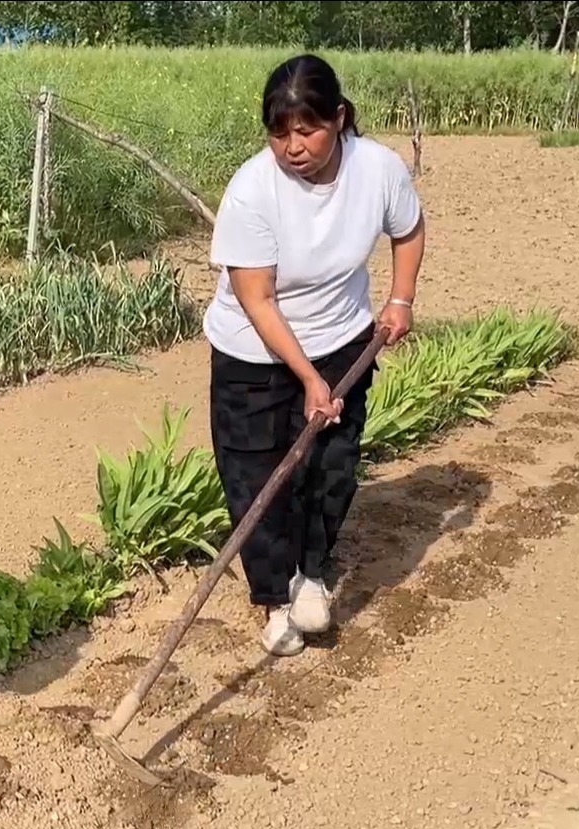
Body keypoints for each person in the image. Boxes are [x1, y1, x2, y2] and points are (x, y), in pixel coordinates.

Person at [203, 53, 426, 657]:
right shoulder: (252, 190)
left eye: (307, 130)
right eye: (280, 133)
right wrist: (306, 377)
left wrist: (400, 299)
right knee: (258, 479)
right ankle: (274, 598)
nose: (293, 146)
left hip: (343, 339)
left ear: (340, 118)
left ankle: (310, 571)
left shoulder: (376, 169)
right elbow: (258, 299)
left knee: (331, 467)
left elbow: (407, 229)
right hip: (253, 353)